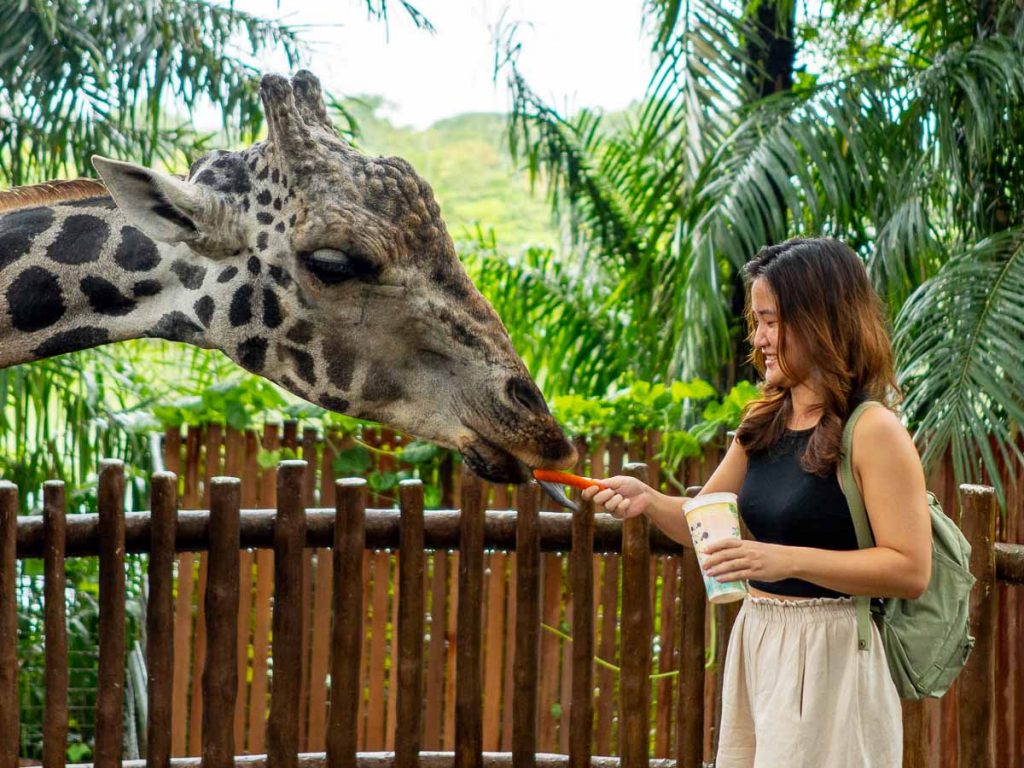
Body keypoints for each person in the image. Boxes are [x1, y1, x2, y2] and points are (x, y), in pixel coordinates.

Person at [582, 237, 931, 768]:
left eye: (770, 321)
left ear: (819, 321)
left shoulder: (875, 431)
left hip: (835, 659)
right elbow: (707, 519)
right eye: (756, 322)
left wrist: (780, 559)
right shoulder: (763, 422)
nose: (759, 339)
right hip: (760, 642)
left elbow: (909, 569)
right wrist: (649, 501)